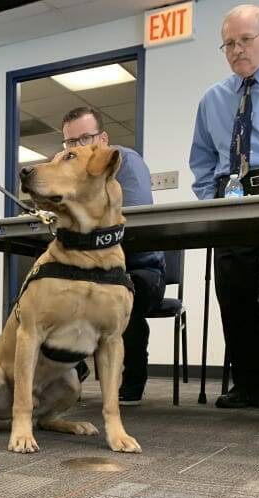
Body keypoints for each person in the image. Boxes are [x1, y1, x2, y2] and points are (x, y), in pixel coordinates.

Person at [61, 107, 166, 406]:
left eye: (85, 138)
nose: (77, 148)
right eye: (70, 143)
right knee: (53, 291)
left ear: (103, 138)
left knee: (120, 291)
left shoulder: (124, 162)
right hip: (89, 267)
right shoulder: (69, 175)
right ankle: (66, 373)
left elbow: (128, 223)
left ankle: (133, 379)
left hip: (139, 266)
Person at [190, 4, 259, 409]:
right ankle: (249, 385)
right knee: (233, 294)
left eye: (245, 40)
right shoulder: (212, 99)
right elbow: (201, 159)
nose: (237, 50)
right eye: (229, 44)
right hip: (229, 202)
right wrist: (211, 200)